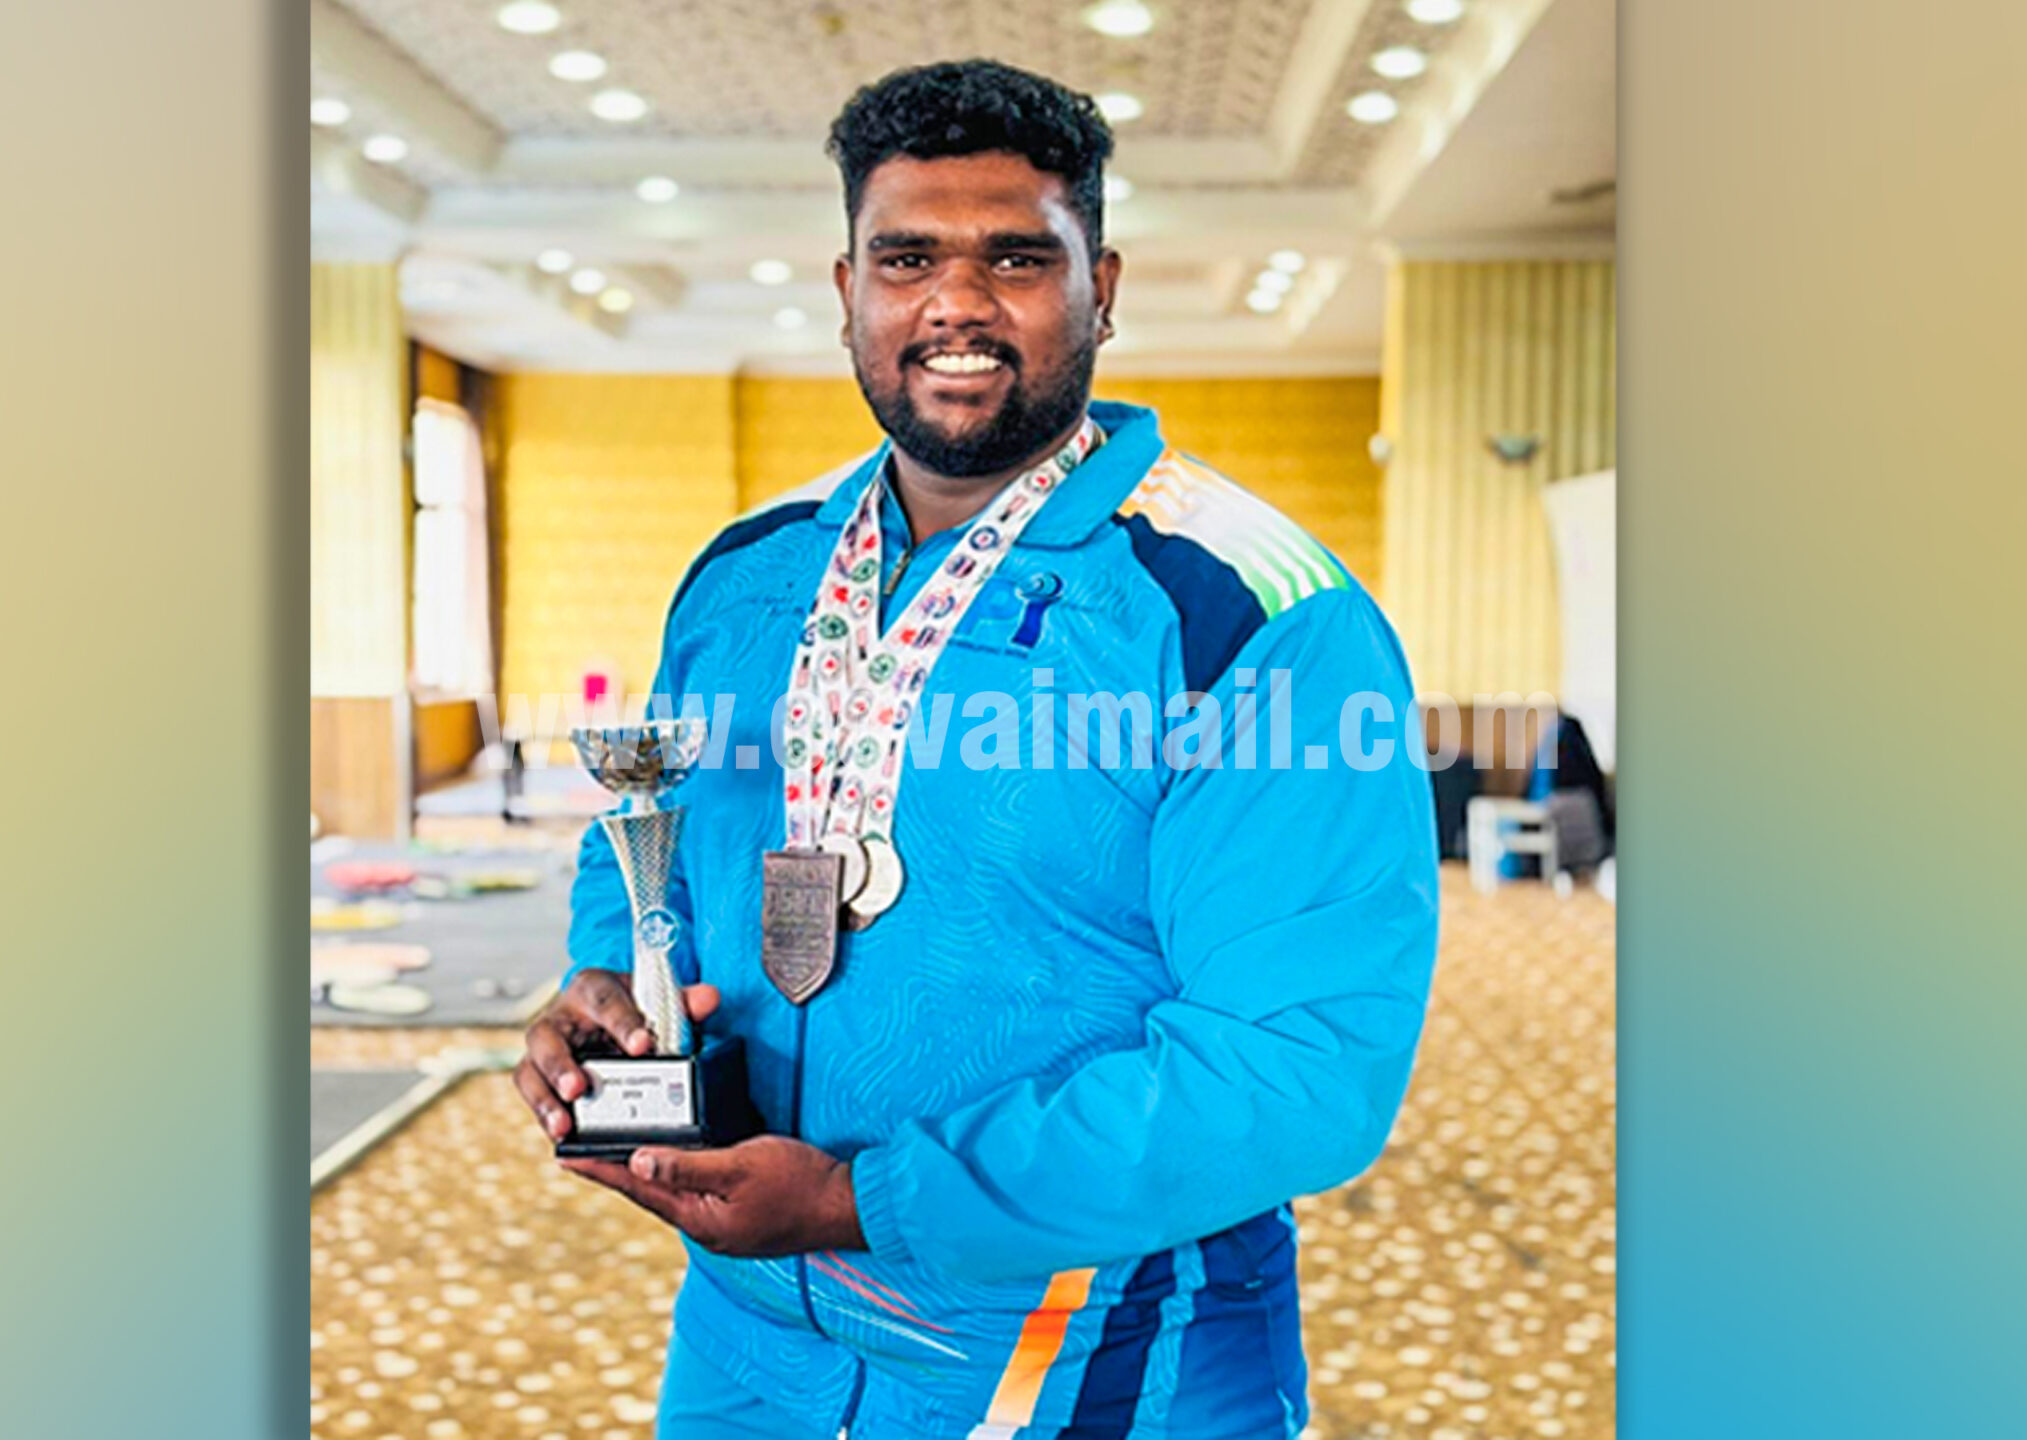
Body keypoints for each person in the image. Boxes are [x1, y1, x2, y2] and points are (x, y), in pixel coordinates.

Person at [513, 58, 1440, 1439]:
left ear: (1101, 289)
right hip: (747, 1345)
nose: (955, 302)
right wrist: (609, 975)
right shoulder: (748, 576)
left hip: (1096, 1355)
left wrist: (860, 1201)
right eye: (907, 259)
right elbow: (651, 839)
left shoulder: (1248, 615)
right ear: (849, 293)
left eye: (1016, 257)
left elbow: (1300, 1065)